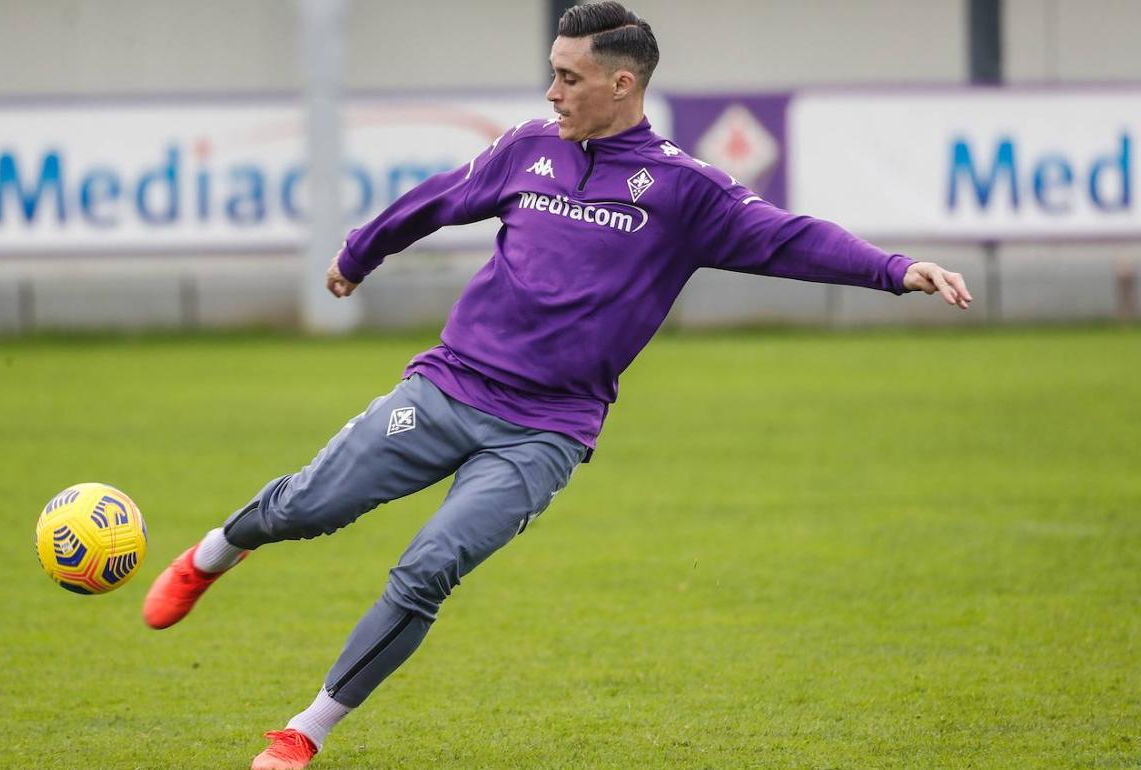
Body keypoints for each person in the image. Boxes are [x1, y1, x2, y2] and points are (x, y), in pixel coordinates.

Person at [142, 3, 973, 768]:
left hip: (544, 432)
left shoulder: (686, 191)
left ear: (622, 83)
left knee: (430, 566)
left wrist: (898, 270)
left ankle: (305, 731)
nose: (552, 91)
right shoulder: (526, 149)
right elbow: (441, 199)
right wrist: (359, 252)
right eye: (552, 72)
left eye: (569, 77)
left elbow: (791, 239)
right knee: (307, 509)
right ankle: (217, 551)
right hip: (446, 390)